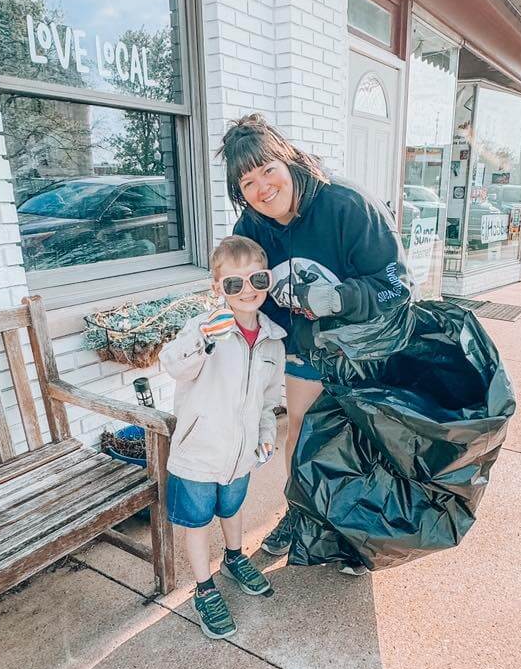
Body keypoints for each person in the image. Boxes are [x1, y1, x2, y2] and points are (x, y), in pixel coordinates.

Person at [216, 113, 411, 574]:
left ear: (288, 159)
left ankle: (358, 535)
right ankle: (301, 512)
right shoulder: (252, 226)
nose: (263, 188)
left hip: (364, 345)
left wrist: (341, 297)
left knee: (359, 436)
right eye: (247, 182)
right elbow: (251, 290)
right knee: (301, 428)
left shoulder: (346, 204)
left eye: (268, 169)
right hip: (305, 346)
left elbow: (396, 285)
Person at [159, 235, 285, 639]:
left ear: (267, 281)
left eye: (257, 280)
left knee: (232, 509)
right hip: (198, 452)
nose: (247, 290)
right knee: (196, 522)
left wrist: (265, 434)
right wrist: (204, 339)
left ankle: (234, 557)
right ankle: (204, 587)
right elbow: (173, 365)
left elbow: (268, 399)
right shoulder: (202, 328)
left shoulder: (272, 338)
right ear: (218, 288)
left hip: (241, 454)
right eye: (234, 284)